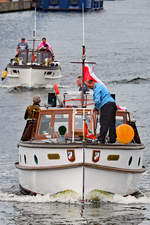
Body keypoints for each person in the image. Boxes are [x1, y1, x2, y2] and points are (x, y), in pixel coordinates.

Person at [85, 79, 117, 144]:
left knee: (104, 122)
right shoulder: (100, 86)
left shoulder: (97, 87)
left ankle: (101, 140)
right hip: (112, 104)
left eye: (89, 86)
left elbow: (97, 100)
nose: (89, 88)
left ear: (92, 83)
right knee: (111, 123)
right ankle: (112, 139)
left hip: (106, 105)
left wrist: (96, 108)